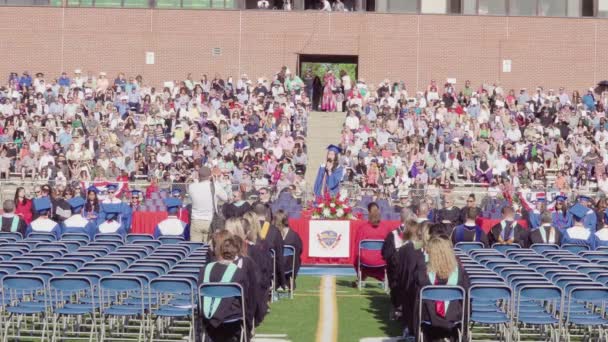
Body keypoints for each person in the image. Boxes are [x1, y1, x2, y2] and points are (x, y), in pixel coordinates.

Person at [198, 230, 251, 342]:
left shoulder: (204, 270)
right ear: (235, 253)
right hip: (232, 317)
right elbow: (246, 299)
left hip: (207, 317)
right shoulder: (239, 273)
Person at [415, 236, 469, 342]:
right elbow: (467, 294)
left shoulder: (423, 271)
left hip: (429, 316)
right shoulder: (460, 272)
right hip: (454, 316)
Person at [381, 210, 417, 318]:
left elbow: (385, 254)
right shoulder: (417, 235)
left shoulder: (392, 235)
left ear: (400, 218)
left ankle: (397, 306)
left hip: (395, 273)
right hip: (412, 271)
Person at [353, 202, 395, 283]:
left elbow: (357, 248)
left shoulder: (362, 228)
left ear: (368, 213)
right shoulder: (386, 228)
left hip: (365, 261)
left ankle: (362, 277)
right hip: (382, 261)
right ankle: (383, 277)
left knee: (357, 257)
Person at [188, 166, 227, 243]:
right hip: (210, 221)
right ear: (210, 176)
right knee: (209, 248)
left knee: (195, 248)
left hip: (196, 220)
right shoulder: (215, 186)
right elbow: (225, 198)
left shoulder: (191, 187)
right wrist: (216, 182)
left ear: (198, 175)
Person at [253, 202, 285, 290]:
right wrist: (282, 281)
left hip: (252, 267)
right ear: (266, 214)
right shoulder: (274, 231)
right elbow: (279, 257)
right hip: (269, 268)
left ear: (254, 215)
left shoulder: (250, 229)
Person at [274, 210, 303, 288]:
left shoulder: (273, 236)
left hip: (277, 267)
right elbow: (300, 250)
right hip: (290, 267)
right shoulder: (295, 236)